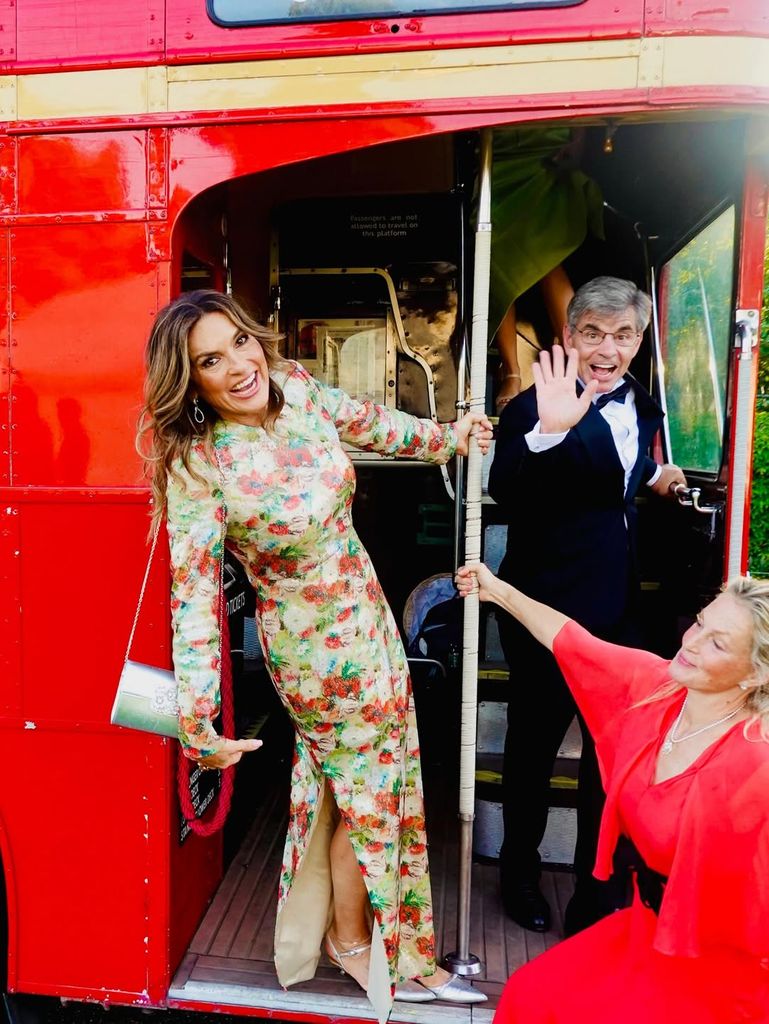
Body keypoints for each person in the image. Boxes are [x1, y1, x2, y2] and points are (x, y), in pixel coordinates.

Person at [137, 290, 493, 1024]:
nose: (238, 366)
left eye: (238, 343)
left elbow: (376, 425)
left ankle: (351, 934)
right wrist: (197, 723)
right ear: (190, 381)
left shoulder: (297, 390)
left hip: (368, 615)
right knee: (370, 796)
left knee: (369, 784)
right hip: (312, 656)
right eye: (210, 360)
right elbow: (192, 600)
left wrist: (448, 437)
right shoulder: (199, 467)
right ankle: (361, 940)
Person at [456, 561, 769, 1024]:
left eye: (717, 642)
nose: (691, 643)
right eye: (701, 622)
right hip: (646, 930)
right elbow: (571, 639)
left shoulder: (756, 765)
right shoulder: (654, 688)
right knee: (529, 995)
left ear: (752, 676)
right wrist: (497, 591)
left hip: (720, 965)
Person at [487, 277, 687, 936]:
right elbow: (507, 491)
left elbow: (615, 481)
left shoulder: (644, 405)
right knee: (533, 752)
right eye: (592, 333)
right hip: (542, 610)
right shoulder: (532, 407)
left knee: (611, 760)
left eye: (622, 334)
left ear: (636, 341)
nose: (607, 348)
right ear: (568, 337)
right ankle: (517, 875)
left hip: (617, 611)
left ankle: (592, 891)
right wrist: (547, 432)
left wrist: (656, 476)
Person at [488, 127, 603, 412]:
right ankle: (512, 371)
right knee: (495, 255)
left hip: (544, 142)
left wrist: (579, 137)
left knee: (547, 251)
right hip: (496, 148)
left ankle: (580, 362)